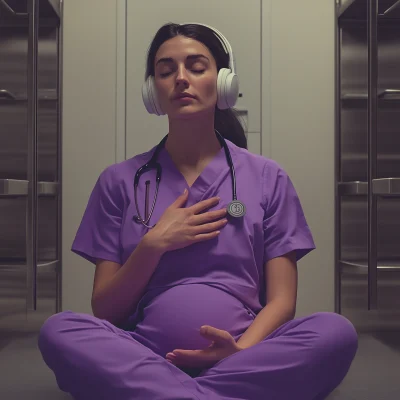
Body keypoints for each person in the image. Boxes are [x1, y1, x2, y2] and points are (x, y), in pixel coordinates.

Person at [37, 23, 358, 400]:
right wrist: (152, 245)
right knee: (59, 330)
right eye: (165, 70)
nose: (181, 79)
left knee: (335, 332)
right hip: (144, 352)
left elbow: (283, 300)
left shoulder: (268, 178)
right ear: (152, 90)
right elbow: (105, 311)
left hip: (242, 353)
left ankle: (168, 393)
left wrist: (241, 350)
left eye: (196, 66)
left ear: (223, 82)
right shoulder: (119, 181)